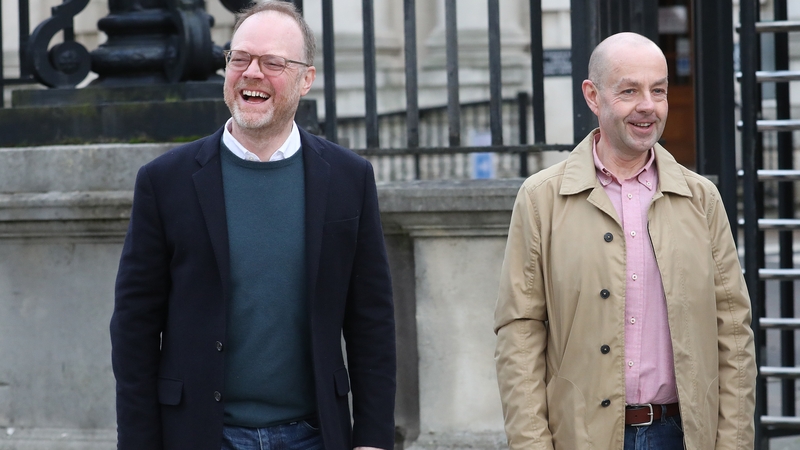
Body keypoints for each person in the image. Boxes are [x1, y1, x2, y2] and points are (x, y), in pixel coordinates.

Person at [110, 2, 396, 449]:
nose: (252, 73)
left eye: (273, 62)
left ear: (306, 79)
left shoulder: (348, 179)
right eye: (239, 58)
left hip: (315, 435)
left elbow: (371, 321)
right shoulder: (164, 181)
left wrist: (373, 440)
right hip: (201, 436)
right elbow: (134, 326)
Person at [493, 32, 756, 449]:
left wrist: (734, 442)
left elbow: (734, 330)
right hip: (581, 437)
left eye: (658, 91)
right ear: (593, 96)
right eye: (629, 90)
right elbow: (519, 331)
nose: (647, 106)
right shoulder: (541, 198)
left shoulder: (701, 198)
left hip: (682, 436)